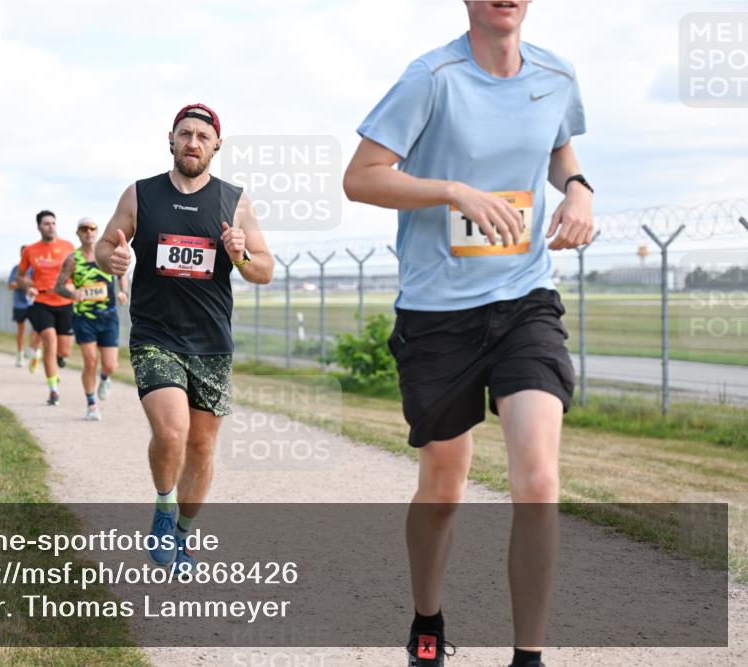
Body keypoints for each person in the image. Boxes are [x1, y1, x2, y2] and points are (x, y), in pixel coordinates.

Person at [342, 3, 594, 666]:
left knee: (537, 478)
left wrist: (578, 189)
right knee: (444, 485)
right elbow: (361, 177)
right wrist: (454, 191)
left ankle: (528, 657)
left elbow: (558, 148)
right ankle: (427, 618)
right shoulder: (431, 78)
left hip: (525, 302)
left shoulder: (556, 76)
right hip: (437, 314)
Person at [96, 103, 273, 572]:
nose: (193, 142)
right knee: (172, 432)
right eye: (185, 133)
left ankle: (183, 536)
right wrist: (111, 260)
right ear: (171, 139)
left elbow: (264, 269)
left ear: (217, 146)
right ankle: (163, 507)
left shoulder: (235, 201)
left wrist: (240, 255)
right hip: (155, 335)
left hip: (211, 342)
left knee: (201, 446)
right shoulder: (141, 194)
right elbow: (105, 245)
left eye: (202, 136)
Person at [54, 217, 130, 421]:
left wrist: (123, 291)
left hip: (108, 317)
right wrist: (72, 294)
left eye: (92, 228)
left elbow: (121, 273)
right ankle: (91, 405)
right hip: (84, 318)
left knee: (110, 365)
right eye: (83, 229)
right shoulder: (73, 259)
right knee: (90, 361)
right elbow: (58, 286)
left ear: (97, 232)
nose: (88, 232)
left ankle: (105, 378)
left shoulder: (106, 254)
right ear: (78, 233)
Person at [18, 211, 75, 405]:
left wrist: (75, 287)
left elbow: (76, 272)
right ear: (39, 227)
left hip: (65, 302)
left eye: (53, 223)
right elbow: (20, 276)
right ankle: (53, 390)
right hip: (42, 302)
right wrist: (28, 286)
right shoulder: (30, 250)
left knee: (64, 351)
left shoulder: (68, 247)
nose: (51, 227)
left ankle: (52, 360)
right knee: (50, 340)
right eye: (46, 224)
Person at [8, 245, 41, 368]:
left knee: (39, 329)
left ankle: (33, 350)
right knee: (21, 330)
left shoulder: (36, 268)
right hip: (20, 304)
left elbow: (41, 283)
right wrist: (24, 284)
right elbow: (11, 285)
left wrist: (28, 283)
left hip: (34, 302)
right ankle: (20, 354)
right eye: (23, 253)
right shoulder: (16, 269)